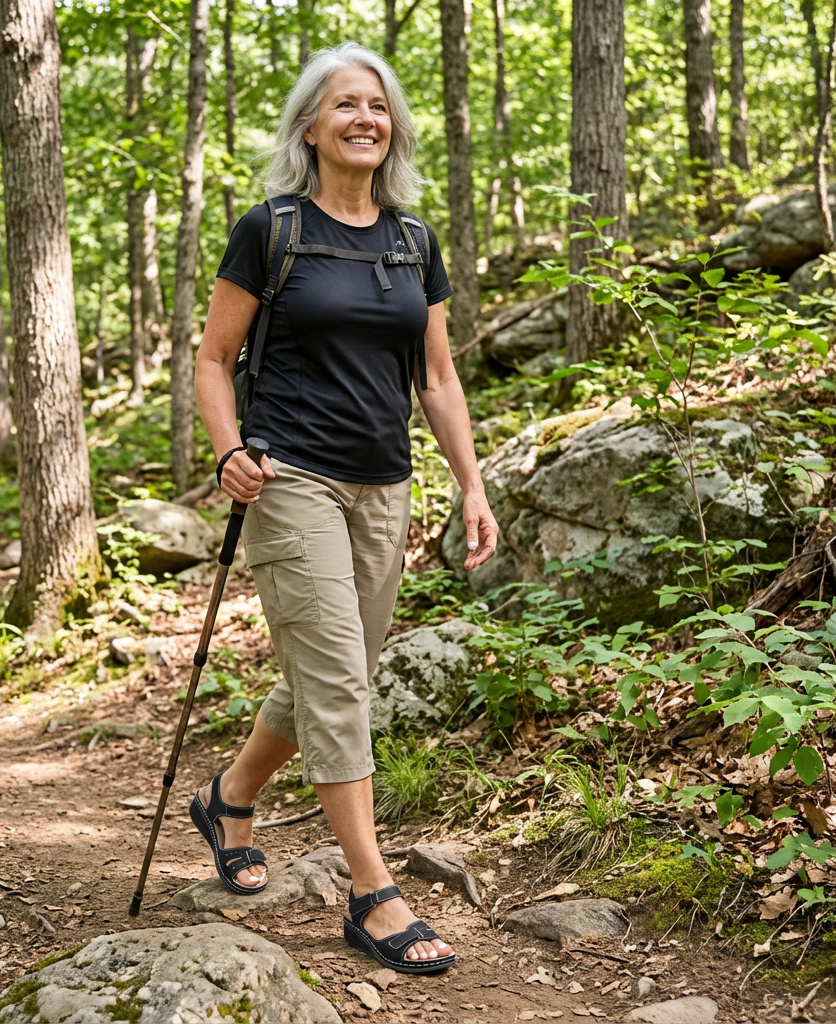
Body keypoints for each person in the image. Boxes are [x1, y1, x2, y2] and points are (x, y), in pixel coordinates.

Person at [191, 41, 497, 973]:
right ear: (311, 129)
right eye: (344, 106)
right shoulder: (271, 229)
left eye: (378, 105)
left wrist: (472, 484)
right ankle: (373, 892)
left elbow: (437, 378)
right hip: (290, 482)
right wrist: (230, 450)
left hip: (385, 485)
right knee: (336, 684)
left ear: (391, 126)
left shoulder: (413, 242)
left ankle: (230, 796)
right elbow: (212, 362)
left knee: (341, 675)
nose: (365, 117)